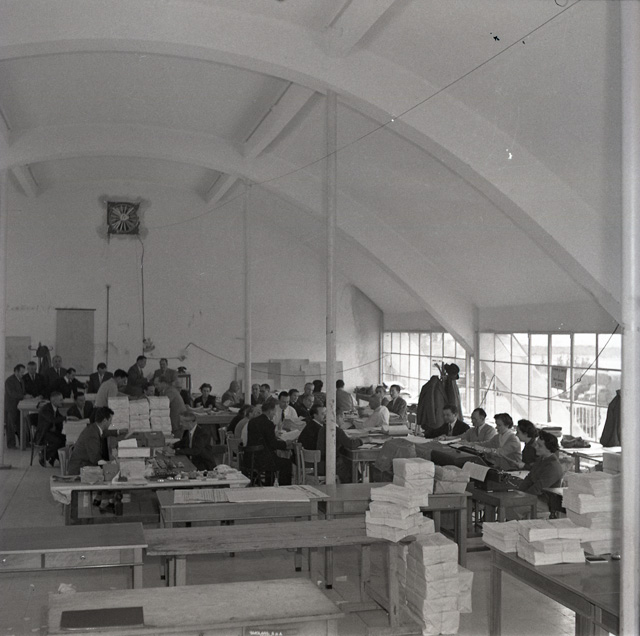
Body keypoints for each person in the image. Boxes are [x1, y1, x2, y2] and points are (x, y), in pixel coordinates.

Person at [245, 398, 293, 485]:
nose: (275, 414)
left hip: (250, 458)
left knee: (270, 456)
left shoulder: (252, 421)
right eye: (274, 411)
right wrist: (286, 444)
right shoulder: (268, 424)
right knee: (286, 463)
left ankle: (268, 483)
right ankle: (284, 488)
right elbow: (273, 444)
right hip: (263, 460)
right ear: (270, 411)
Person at [315, 406, 363, 483]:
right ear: (337, 417)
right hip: (330, 465)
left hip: (321, 463)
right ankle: (354, 484)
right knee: (351, 466)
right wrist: (362, 440)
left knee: (348, 462)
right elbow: (351, 444)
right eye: (342, 417)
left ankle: (356, 479)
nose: (343, 420)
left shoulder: (323, 428)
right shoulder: (335, 430)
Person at [509, 430, 564, 496]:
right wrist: (518, 491)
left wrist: (521, 496)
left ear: (549, 448)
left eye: (539, 446)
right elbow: (529, 479)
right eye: (536, 444)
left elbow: (538, 489)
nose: (535, 447)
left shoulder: (553, 466)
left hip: (545, 499)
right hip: (534, 496)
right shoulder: (541, 459)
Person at [67, 406, 114, 476]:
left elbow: (105, 433)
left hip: (83, 464)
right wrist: (110, 464)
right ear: (104, 421)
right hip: (79, 470)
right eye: (110, 420)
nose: (111, 423)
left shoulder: (94, 428)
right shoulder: (92, 435)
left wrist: (119, 432)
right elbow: (95, 459)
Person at [35, 391, 66, 466]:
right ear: (54, 401)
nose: (62, 401)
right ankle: (43, 455)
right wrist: (66, 418)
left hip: (51, 431)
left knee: (64, 438)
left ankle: (54, 457)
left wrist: (67, 418)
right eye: (60, 400)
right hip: (44, 432)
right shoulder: (45, 409)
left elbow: (59, 418)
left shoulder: (55, 408)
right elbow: (52, 419)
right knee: (57, 441)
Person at [4, 364, 26, 449]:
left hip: (19, 406)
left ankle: (22, 443)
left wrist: (26, 396)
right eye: (21, 372)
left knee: (20, 425)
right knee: (10, 426)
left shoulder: (21, 380)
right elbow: (12, 394)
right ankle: (11, 444)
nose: (23, 374)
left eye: (23, 372)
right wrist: (24, 396)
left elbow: (22, 392)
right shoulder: (9, 380)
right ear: (16, 371)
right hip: (11, 407)